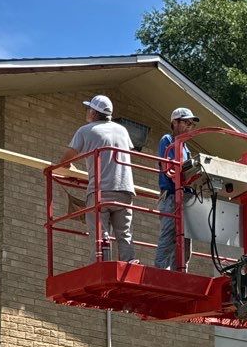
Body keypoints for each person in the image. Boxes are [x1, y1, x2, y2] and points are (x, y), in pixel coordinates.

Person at [57, 94, 137, 263]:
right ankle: (129, 263)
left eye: (88, 109)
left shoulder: (86, 130)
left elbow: (64, 161)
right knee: (124, 233)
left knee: (100, 233)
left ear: (93, 113)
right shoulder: (122, 130)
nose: (86, 112)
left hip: (101, 190)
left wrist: (69, 168)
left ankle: (101, 265)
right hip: (125, 190)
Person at [153, 105, 196, 268]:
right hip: (171, 195)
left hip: (184, 198)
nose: (189, 127)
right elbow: (170, 168)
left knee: (185, 242)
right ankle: (160, 272)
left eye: (191, 124)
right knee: (169, 236)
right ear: (175, 123)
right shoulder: (168, 140)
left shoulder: (186, 148)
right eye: (186, 122)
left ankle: (179, 274)